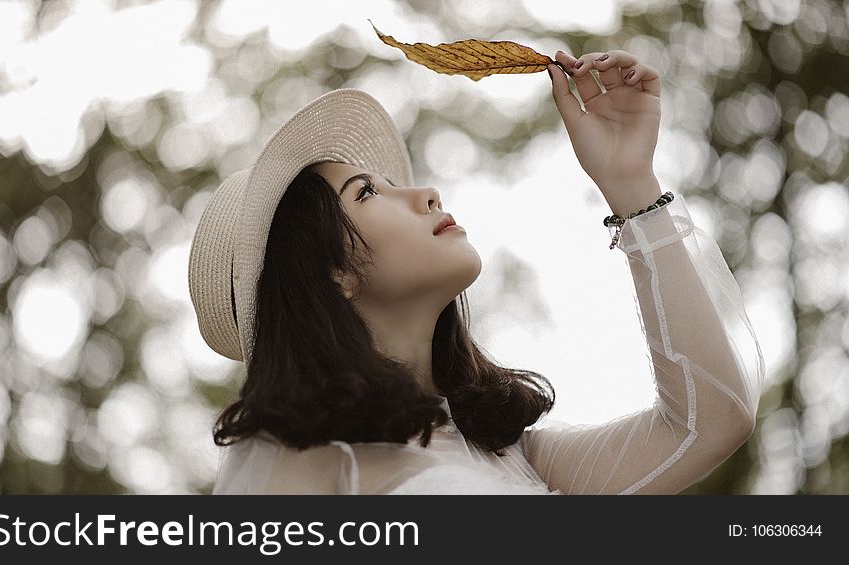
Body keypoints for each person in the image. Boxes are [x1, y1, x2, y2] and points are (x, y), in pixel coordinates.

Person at [188, 49, 765, 494]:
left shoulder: (513, 457)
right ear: (330, 274)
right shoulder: (292, 461)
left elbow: (708, 422)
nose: (426, 193)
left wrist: (630, 182)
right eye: (365, 192)